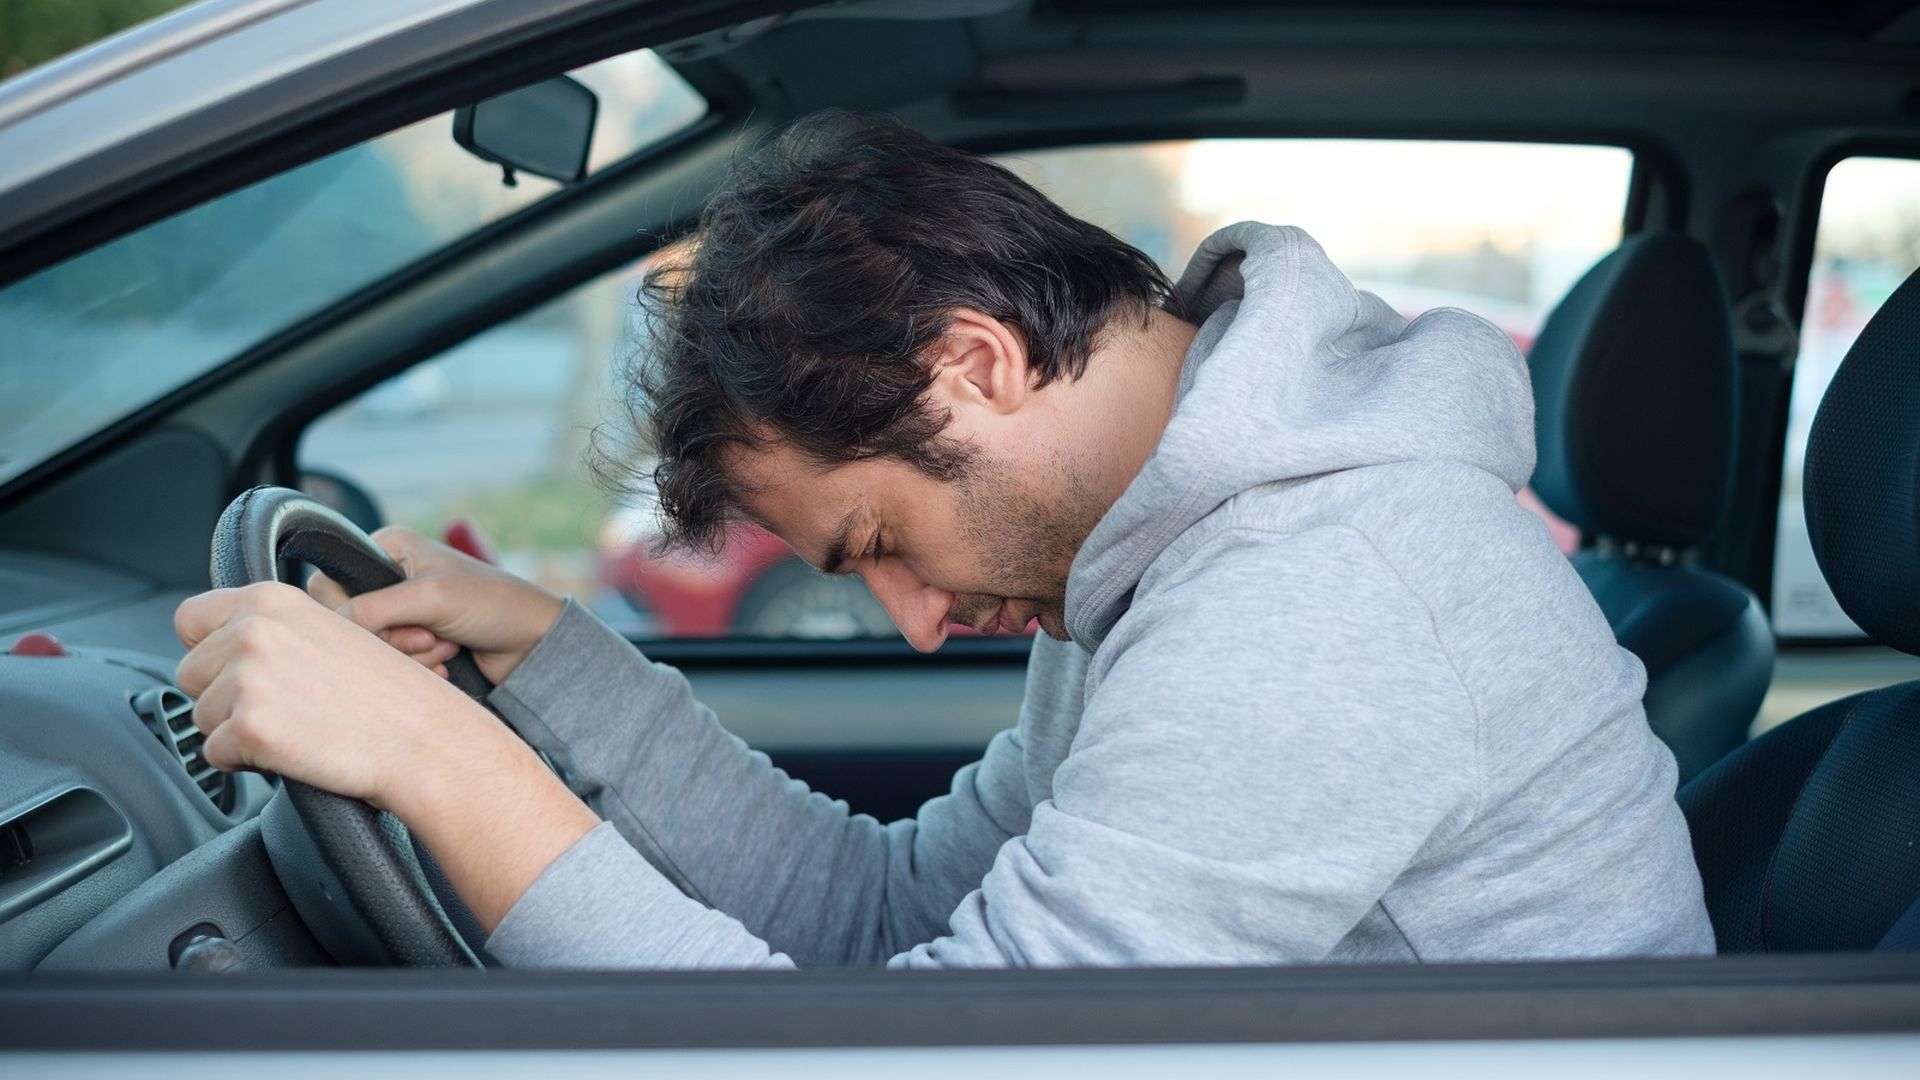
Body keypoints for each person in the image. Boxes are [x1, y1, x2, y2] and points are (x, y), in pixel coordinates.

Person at [173, 111, 1715, 968]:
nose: (915, 622)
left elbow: (920, 1064)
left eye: (877, 540)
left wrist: (444, 769)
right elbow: (884, 915)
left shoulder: (1322, 596)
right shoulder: (1165, 561)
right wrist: (546, 655)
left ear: (973, 365)